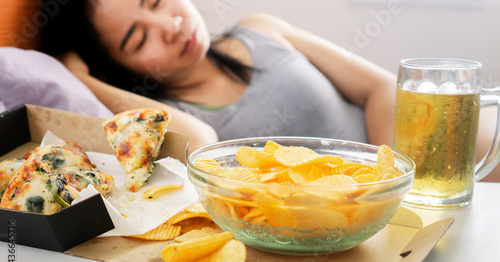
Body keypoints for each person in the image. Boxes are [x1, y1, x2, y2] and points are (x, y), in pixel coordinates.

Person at [40, 0, 396, 151]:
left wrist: (396, 184)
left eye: (157, 2)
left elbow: (380, 88)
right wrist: (79, 78)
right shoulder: (173, 117)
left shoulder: (261, 29)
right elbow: (201, 141)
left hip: (410, 181)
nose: (170, 25)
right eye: (139, 39)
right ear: (119, 69)